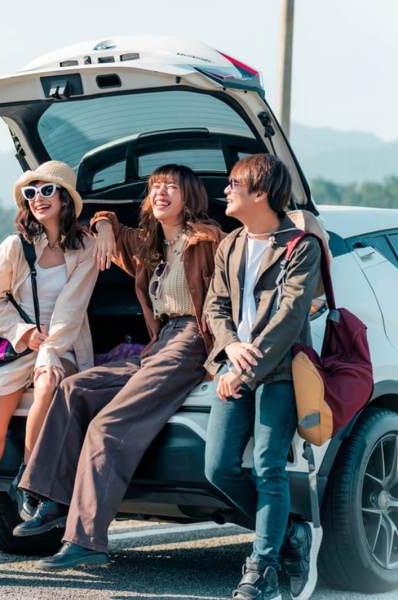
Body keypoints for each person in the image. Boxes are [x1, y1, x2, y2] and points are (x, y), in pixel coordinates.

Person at [16, 164, 222, 571]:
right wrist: (105, 224)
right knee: (75, 389)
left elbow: (246, 255)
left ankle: (87, 540)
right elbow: (105, 222)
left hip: (192, 342)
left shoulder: (209, 239)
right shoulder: (151, 244)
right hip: (159, 344)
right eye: (155, 186)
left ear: (191, 197)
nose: (160, 192)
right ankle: (52, 500)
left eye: (171, 187)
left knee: (108, 425)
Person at [0, 161, 98, 586]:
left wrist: (48, 349)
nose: (36, 199)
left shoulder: (86, 248)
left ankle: (30, 481)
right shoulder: (15, 246)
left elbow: (72, 311)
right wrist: (23, 334)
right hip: (15, 347)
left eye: (46, 192)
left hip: (63, 345)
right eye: (30, 193)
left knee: (50, 382)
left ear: (65, 199)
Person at [203, 154, 322, 600]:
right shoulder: (230, 244)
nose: (227, 189)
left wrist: (244, 371)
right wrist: (230, 348)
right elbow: (214, 306)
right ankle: (288, 528)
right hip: (235, 366)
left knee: (269, 466)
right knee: (218, 468)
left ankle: (262, 570)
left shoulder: (300, 246)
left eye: (235, 183)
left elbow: (290, 318)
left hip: (280, 371)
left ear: (260, 192)